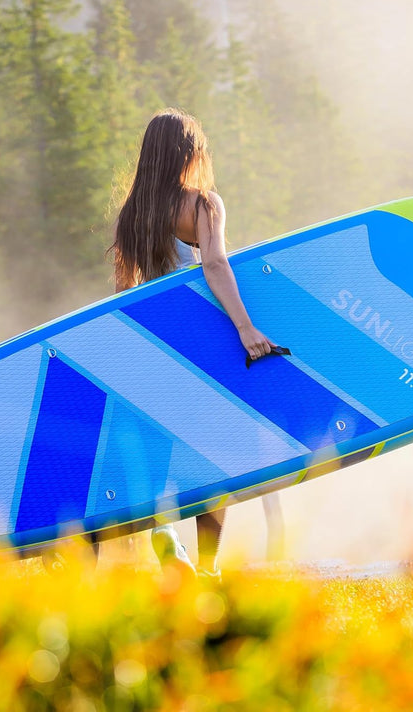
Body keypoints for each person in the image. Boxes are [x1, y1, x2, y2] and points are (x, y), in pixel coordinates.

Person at [111, 108, 278, 578]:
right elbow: (216, 266)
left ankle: (161, 533)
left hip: (152, 348)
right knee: (215, 456)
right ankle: (206, 567)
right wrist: (246, 327)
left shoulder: (132, 215)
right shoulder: (203, 203)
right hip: (204, 345)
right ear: (188, 154)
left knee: (157, 449)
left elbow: (124, 292)